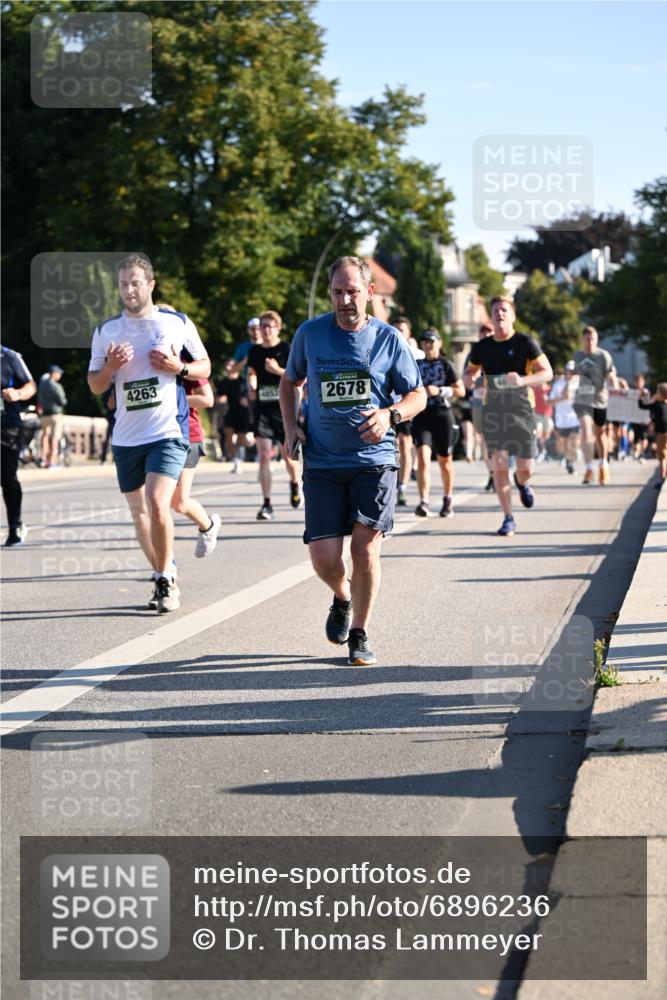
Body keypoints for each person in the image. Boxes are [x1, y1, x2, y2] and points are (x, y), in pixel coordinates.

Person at [280, 255, 426, 665]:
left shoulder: (388, 339)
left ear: (370, 293)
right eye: (338, 292)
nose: (345, 300)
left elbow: (418, 395)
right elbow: (289, 381)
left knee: (364, 549)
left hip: (374, 459)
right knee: (326, 559)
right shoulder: (310, 334)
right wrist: (290, 427)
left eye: (353, 292)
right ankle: (342, 596)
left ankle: (359, 632)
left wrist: (388, 415)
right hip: (323, 462)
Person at [87, 253, 211, 613]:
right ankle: (164, 568)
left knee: (159, 503)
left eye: (135, 282)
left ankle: (165, 581)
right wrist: (110, 367)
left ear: (151, 285)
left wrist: (179, 368)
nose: (129, 289)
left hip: (167, 431)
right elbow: (95, 385)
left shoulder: (176, 322)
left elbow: (204, 364)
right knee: (139, 512)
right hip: (127, 437)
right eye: (123, 283)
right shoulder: (106, 330)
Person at [465, 297, 552, 536]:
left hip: (522, 410)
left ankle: (522, 482)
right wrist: (470, 380)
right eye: (495, 311)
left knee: (526, 468)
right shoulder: (482, 347)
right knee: (499, 467)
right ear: (491, 317)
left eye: (504, 310)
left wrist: (523, 380)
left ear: (512, 315)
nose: (499, 314)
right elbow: (468, 373)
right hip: (494, 411)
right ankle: (508, 518)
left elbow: (548, 372)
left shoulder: (525, 342)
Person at [245, 310, 301, 520]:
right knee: (263, 456)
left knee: (288, 455)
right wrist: (252, 384)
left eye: (269, 326)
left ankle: (295, 484)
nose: (265, 330)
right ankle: (267, 504)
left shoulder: (287, 349)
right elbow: (251, 371)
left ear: (278, 328)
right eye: (262, 326)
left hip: (283, 408)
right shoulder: (254, 351)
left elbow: (296, 377)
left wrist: (277, 370)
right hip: (262, 409)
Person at [411, 328, 465, 518]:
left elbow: (461, 391)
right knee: (423, 458)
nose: (428, 345)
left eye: (431, 341)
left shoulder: (446, 364)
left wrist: (440, 390)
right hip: (422, 416)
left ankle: (448, 498)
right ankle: (424, 501)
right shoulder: (416, 365)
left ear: (439, 344)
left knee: (444, 460)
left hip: (443, 414)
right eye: (424, 341)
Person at [572, 326, 617, 485]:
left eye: (592, 339)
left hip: (599, 399)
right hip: (582, 398)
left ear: (596, 340)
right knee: (585, 429)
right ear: (582, 340)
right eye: (587, 339)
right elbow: (574, 372)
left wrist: (614, 382)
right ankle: (588, 468)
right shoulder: (577, 355)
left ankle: (603, 464)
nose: (589, 342)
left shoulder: (603, 355)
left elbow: (611, 373)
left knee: (600, 433)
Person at [1, 346, 36, 546]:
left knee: (7, 478)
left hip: (7, 426)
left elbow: (31, 386)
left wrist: (18, 393)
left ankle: (16, 525)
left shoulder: (9, 356)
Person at [394, 317, 422, 506]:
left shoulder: (418, 355)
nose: (398, 333)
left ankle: (402, 487)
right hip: (387, 407)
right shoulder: (384, 351)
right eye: (395, 329)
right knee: (393, 447)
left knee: (405, 444)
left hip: (407, 407)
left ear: (408, 333)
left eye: (402, 330)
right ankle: (391, 481)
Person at [466, 323, 495, 491]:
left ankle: (498, 470)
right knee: (483, 440)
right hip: (479, 402)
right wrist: (474, 380)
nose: (486, 335)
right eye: (483, 333)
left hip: (498, 401)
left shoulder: (498, 352)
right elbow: (466, 380)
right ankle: (492, 473)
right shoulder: (474, 355)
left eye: (489, 333)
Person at [217, 358, 252, 473]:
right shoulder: (223, 382)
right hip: (230, 411)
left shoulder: (243, 381)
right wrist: (221, 400)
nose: (229, 366)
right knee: (228, 436)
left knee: (241, 439)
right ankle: (235, 461)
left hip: (242, 412)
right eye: (227, 364)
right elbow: (219, 397)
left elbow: (250, 394)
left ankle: (240, 454)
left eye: (231, 364)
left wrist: (247, 400)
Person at [549, 360, 580, 474]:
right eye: (569, 371)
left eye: (573, 371)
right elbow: (549, 402)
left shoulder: (579, 384)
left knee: (574, 442)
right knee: (564, 444)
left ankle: (571, 463)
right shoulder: (558, 384)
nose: (571, 374)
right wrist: (561, 398)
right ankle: (568, 460)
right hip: (562, 419)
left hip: (575, 419)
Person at [38, 364, 67, 469]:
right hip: (55, 415)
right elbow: (63, 401)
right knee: (55, 438)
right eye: (58, 373)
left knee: (44, 436)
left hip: (44, 414)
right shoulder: (56, 386)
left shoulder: (42, 384)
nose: (60, 375)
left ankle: (43, 458)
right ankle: (52, 462)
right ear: (54, 373)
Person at [638, 382, 667, 486]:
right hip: (662, 433)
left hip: (662, 434)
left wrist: (641, 396)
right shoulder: (663, 404)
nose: (655, 394)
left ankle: (662, 478)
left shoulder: (656, 405)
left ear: (661, 395)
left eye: (656, 392)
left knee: (662, 456)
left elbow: (642, 405)